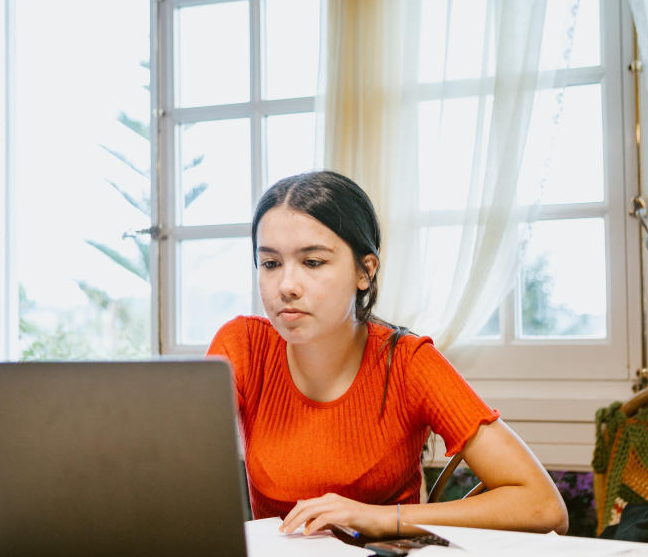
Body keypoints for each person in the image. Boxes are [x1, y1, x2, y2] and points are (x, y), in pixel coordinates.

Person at [207, 170, 568, 538]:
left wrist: (379, 518)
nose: (286, 286)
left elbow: (543, 506)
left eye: (313, 262)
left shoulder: (408, 362)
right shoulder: (242, 346)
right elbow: (175, 467)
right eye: (270, 264)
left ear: (365, 271)